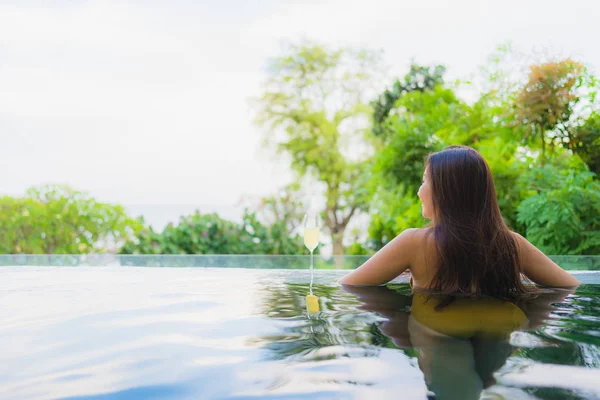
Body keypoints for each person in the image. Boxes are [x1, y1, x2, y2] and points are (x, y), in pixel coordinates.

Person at [339, 145, 579, 291]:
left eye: (425, 181)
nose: (419, 191)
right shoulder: (511, 245)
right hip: (492, 342)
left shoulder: (413, 243)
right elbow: (569, 285)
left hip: (438, 340)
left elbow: (349, 284)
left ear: (446, 191)